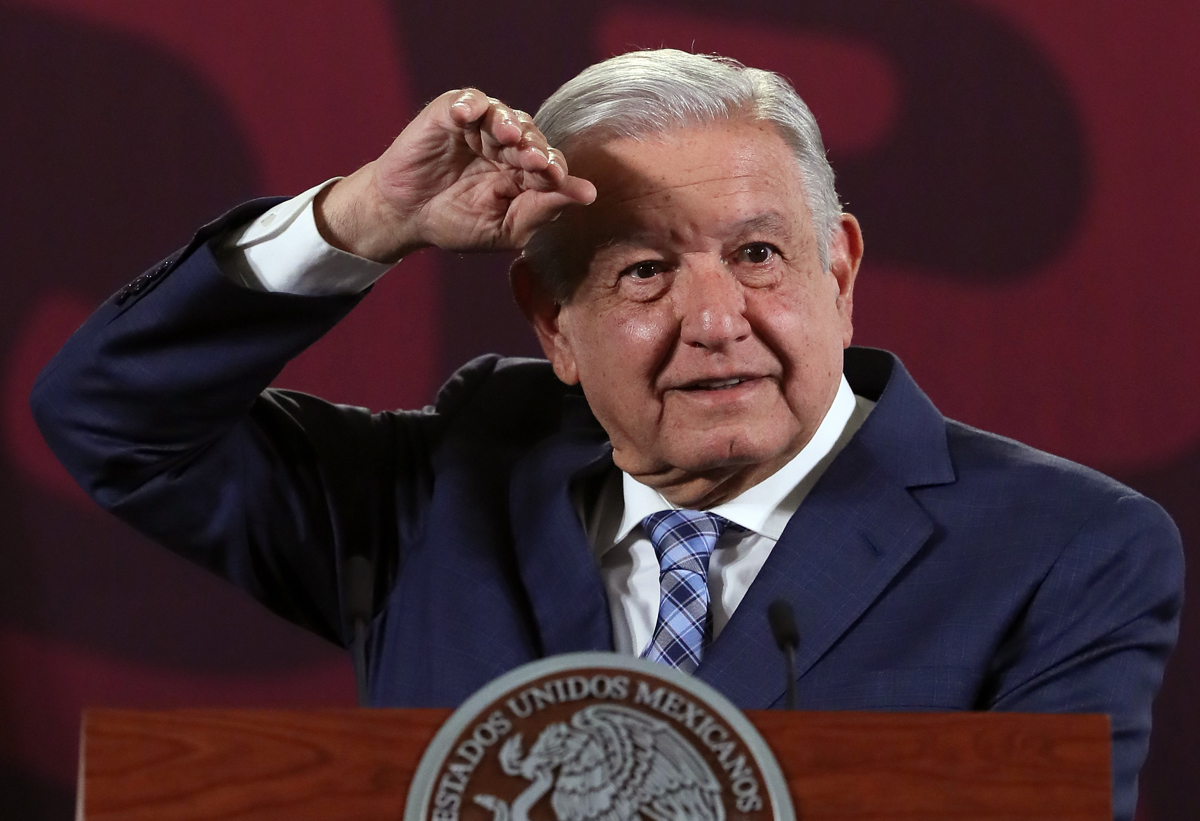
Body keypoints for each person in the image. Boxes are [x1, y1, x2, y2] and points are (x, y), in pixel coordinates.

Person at [30, 50, 1181, 820]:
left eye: (759, 253)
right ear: (555, 326)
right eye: (642, 270)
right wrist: (364, 218)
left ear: (841, 270)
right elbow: (112, 420)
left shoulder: (1066, 545)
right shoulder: (447, 483)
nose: (715, 319)